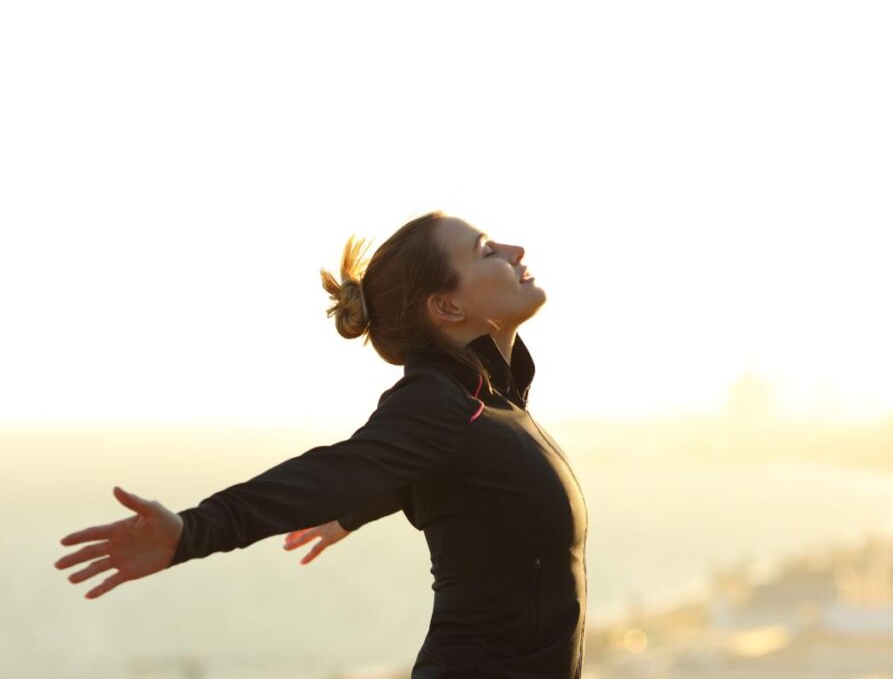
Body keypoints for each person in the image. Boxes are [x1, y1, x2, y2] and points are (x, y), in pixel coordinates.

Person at [54, 211, 590, 678]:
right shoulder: (439, 402)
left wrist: (360, 507)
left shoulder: (491, 400)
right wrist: (193, 531)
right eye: (486, 251)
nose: (515, 251)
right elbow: (330, 473)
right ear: (446, 306)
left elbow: (453, 471)